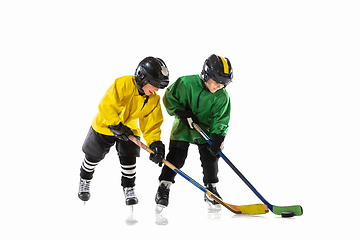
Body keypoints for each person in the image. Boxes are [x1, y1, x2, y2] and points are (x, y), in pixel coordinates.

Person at [78, 56, 169, 205]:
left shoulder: (153, 99)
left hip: (129, 129)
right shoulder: (124, 83)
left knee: (129, 158)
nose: (157, 89)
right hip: (106, 124)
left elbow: (151, 124)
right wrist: (115, 124)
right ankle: (85, 179)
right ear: (142, 78)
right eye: (155, 84)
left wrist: (155, 143)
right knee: (93, 157)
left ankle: (129, 188)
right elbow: (107, 104)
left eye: (160, 86)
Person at [152, 54, 233, 209]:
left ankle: (211, 189)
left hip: (206, 130)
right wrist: (181, 112)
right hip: (184, 126)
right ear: (205, 75)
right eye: (217, 82)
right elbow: (169, 97)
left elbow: (221, 119)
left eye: (224, 84)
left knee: (210, 159)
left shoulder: (222, 96)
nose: (219, 87)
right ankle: (164, 186)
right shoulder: (186, 83)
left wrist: (218, 136)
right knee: (176, 157)